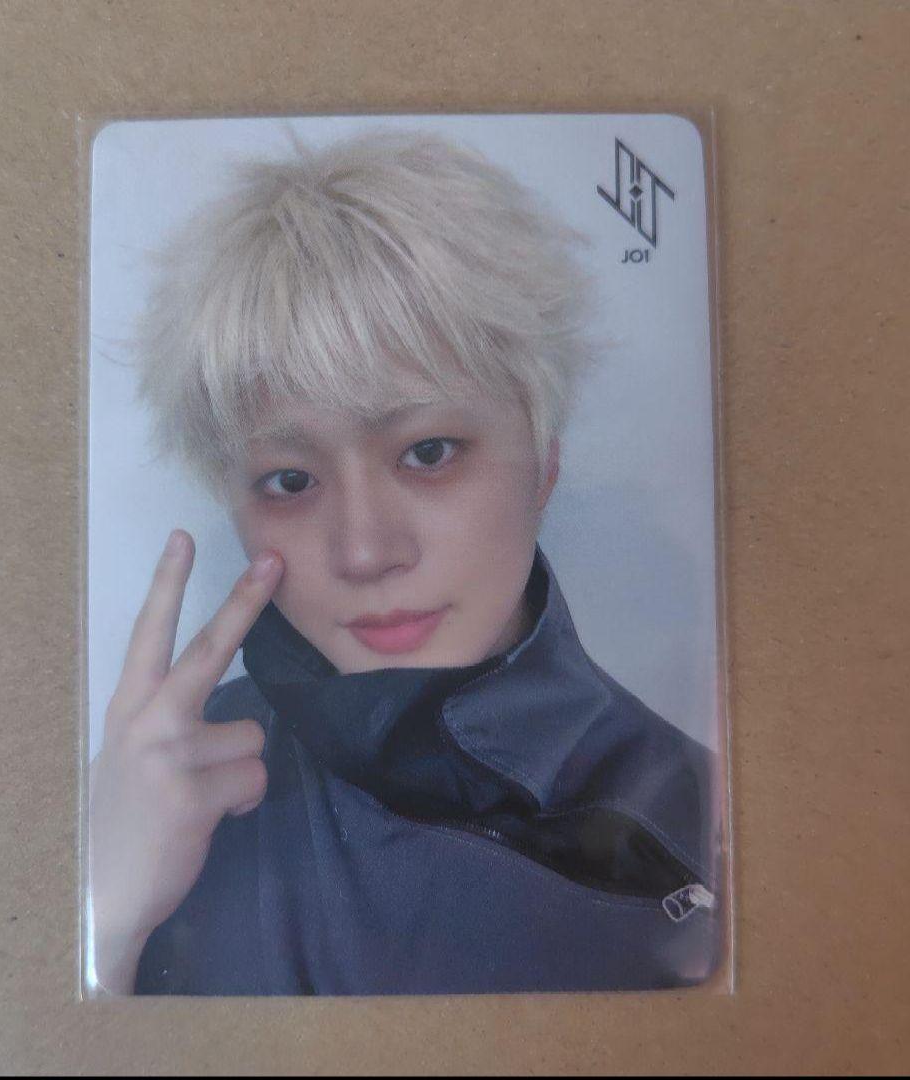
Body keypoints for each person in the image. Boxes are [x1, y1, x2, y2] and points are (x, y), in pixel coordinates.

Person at [88, 129, 721, 996]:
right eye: (290, 479)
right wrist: (102, 923)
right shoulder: (161, 799)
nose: (365, 551)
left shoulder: (710, 824)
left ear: (543, 465)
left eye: (428, 452)